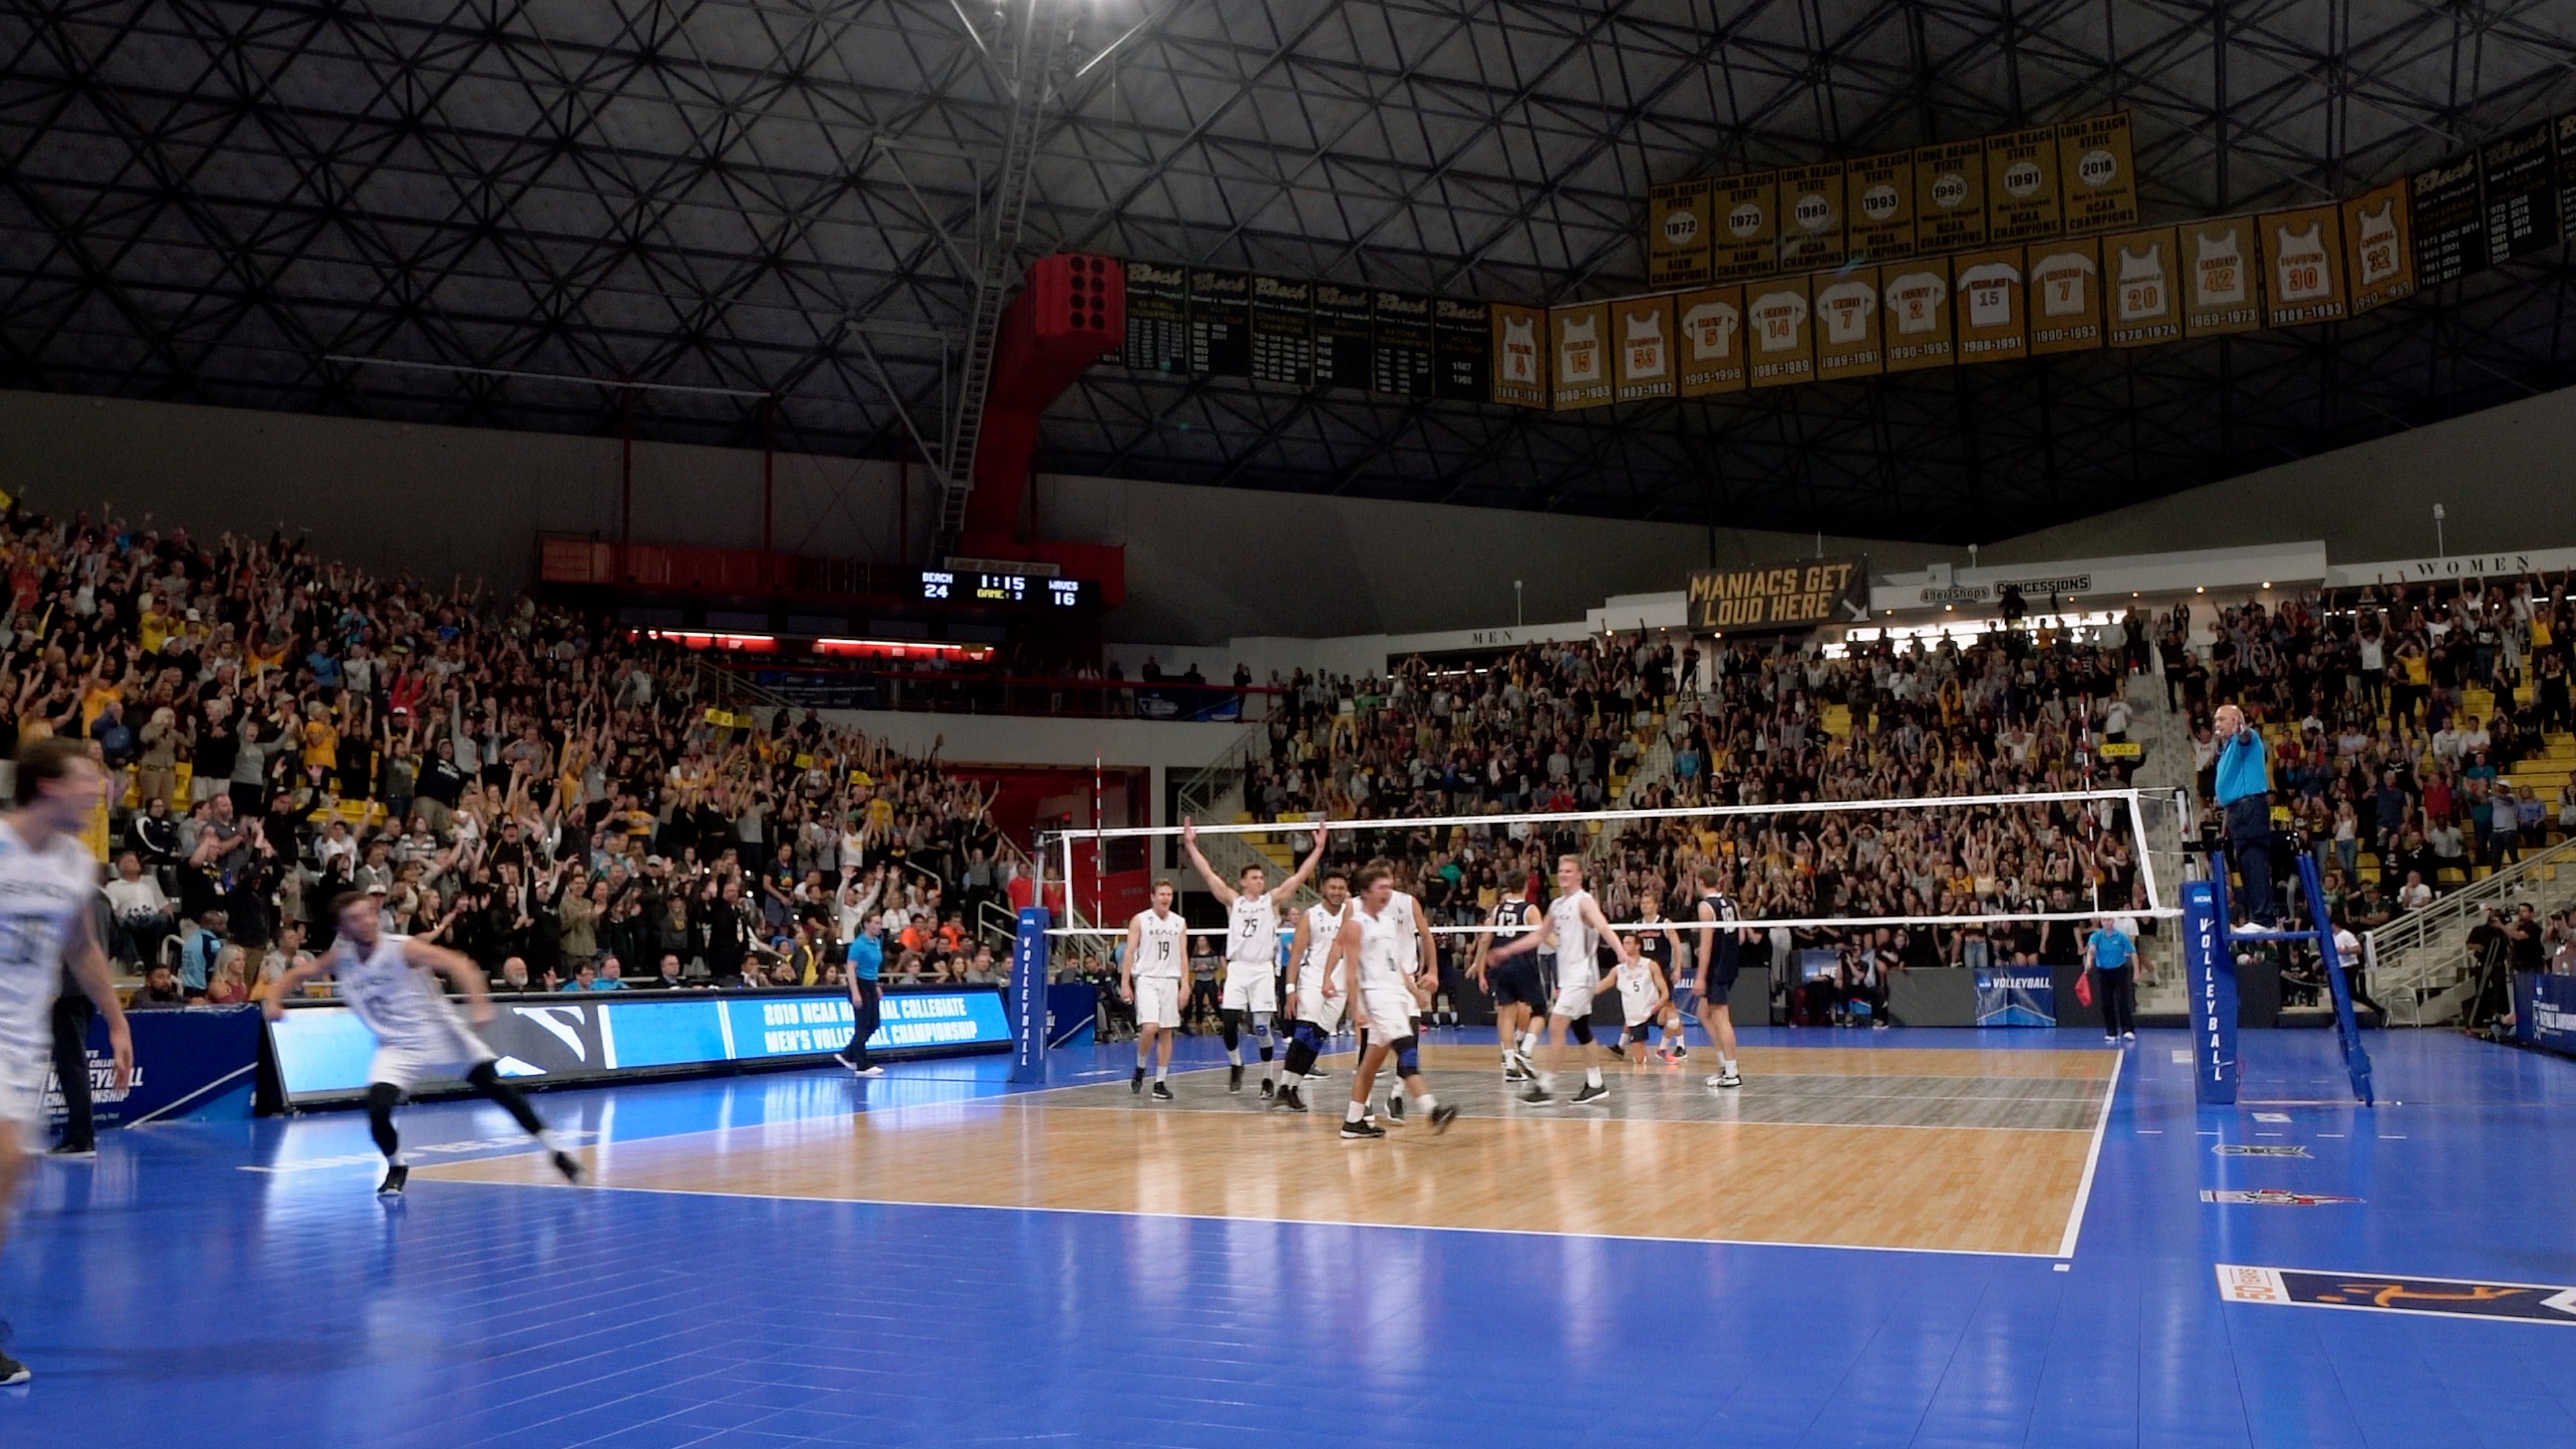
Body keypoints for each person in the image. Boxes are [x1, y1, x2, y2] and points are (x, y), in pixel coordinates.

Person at [264, 890, 584, 1197]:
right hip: (396, 1045)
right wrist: (275, 1000)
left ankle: (555, 1150)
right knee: (377, 1108)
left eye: (369, 914)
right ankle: (396, 1165)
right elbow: (298, 975)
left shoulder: (403, 949)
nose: (366, 922)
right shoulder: (342, 959)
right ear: (342, 928)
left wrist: (479, 1003)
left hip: (438, 1033)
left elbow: (460, 964)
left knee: (497, 1088)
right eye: (355, 918)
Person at [0, 738, 135, 1384]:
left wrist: (115, 1020)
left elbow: (82, 949)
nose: (99, 790)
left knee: (7, 1182)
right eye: (88, 778)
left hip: (19, 1042)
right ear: (49, 785)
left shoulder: (76, 863)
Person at [1177, 819, 1326, 1097]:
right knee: (1230, 1024)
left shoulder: (1272, 901)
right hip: (1238, 969)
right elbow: (1209, 874)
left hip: (1262, 970)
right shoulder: (1234, 901)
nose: (1260, 880)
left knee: (1260, 1027)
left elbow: (1298, 878)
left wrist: (1317, 849)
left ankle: (1268, 1078)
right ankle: (1236, 1064)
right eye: (1255, 877)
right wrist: (1190, 845)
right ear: (1244, 882)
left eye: (1262, 877)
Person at [1483, 854, 1635, 1106]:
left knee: (1556, 1024)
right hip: (1569, 977)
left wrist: (1620, 951)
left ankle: (1546, 1086)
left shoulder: (1584, 902)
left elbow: (1604, 926)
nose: (1563, 875)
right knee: (1581, 1028)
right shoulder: (1556, 905)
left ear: (1579, 875)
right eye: (1561, 871)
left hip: (1583, 976)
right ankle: (1596, 1083)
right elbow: (1538, 936)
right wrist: (1508, 950)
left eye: (1568, 871)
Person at [1329, 865, 1455, 1140]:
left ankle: (1352, 1122)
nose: (1388, 892)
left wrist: (1414, 991)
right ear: (1366, 892)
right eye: (1381, 888)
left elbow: (1395, 964)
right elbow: (1351, 970)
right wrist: (1356, 1008)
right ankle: (1432, 1109)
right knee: (1406, 1048)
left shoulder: (1386, 922)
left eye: (1389, 887)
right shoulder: (1356, 925)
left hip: (1395, 992)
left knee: (1370, 1065)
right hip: (1376, 998)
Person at [1273, 869, 1352, 1114]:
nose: (1337, 892)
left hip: (1340, 986)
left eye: (1341, 888)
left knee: (1318, 1038)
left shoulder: (1353, 915)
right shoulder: (1311, 915)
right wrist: (1290, 990)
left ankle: (1292, 1088)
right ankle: (1284, 1087)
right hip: (1312, 980)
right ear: (1323, 889)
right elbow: (1295, 955)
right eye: (1333, 888)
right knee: (1304, 1033)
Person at [1467, 873, 1545, 1082]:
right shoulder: (1530, 909)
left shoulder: (1498, 909)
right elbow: (1541, 937)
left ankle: (1510, 1063)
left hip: (1501, 966)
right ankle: (1525, 1049)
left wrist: (1478, 965)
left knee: (1506, 1013)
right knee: (1541, 1010)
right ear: (1526, 886)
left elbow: (1485, 939)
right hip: (1523, 964)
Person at [1120, 880, 1190, 1100]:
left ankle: (1160, 1082)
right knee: (1150, 1027)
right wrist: (1125, 983)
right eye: (1162, 894)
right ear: (1153, 897)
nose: (1166, 898)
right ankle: (1141, 1067)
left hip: (1170, 979)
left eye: (1169, 894)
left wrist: (1185, 983)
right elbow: (1129, 953)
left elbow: (1183, 954)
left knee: (1167, 1030)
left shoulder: (1179, 923)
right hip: (1147, 978)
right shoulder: (1140, 920)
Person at [2212, 704, 2276, 925]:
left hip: (2250, 808)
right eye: (2216, 720)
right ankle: (2257, 918)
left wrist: (2242, 730)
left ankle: (2264, 919)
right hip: (2237, 812)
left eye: (2222, 719)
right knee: (2246, 864)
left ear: (2236, 721)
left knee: (2255, 861)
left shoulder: (2247, 739)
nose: (2217, 724)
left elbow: (2247, 736)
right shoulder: (2227, 748)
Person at [1693, 863, 1751, 1090]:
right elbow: (1741, 937)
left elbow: (1706, 945)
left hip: (1716, 968)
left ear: (1700, 882)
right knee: (1703, 1013)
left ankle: (1733, 1072)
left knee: (1720, 1018)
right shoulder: (1732, 903)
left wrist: (1700, 976)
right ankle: (1724, 1067)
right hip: (1729, 965)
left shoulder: (1706, 907)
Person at [1617, 902, 1679, 1066]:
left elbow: (1676, 945)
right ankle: (1622, 1045)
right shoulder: (1637, 925)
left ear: (1656, 905)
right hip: (1641, 977)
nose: (1644, 905)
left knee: (1672, 1014)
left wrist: (1678, 967)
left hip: (1660, 972)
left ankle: (1673, 1047)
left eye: (1648, 902)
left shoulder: (1664, 923)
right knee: (1634, 1011)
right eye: (1642, 903)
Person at [836, 910, 886, 1075]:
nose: (880, 926)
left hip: (870, 984)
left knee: (874, 1022)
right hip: (860, 984)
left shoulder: (876, 942)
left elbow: (873, 967)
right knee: (863, 1024)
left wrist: (876, 985)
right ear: (867, 925)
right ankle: (861, 1063)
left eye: (880, 923)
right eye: (876, 923)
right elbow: (851, 968)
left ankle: (848, 1054)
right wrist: (856, 992)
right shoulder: (858, 944)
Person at [2083, 918, 2137, 1044]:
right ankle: (2111, 1032)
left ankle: (2128, 1030)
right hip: (2104, 972)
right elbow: (2092, 949)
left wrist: (2137, 971)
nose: (2106, 923)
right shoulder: (2096, 936)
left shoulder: (2121, 936)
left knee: (2122, 1001)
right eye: (2104, 920)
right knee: (2106, 1003)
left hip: (2119, 971)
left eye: (2109, 920)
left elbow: (2133, 952)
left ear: (2113, 922)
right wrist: (2089, 961)